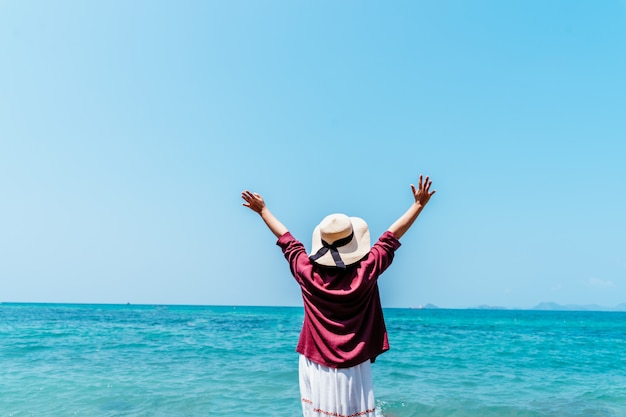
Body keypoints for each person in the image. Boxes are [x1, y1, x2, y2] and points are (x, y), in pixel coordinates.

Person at [241, 174, 436, 417]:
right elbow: (390, 237)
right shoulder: (366, 270)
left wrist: (263, 211)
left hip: (314, 361)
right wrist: (418, 205)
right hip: (353, 364)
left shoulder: (306, 271)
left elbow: (287, 241)